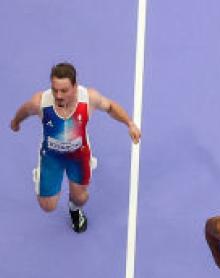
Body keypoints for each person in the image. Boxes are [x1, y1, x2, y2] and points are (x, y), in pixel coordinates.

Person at [9, 62, 140, 232]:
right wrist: (16, 122)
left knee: (81, 198)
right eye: (55, 89)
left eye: (64, 90)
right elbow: (25, 110)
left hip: (78, 156)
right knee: (47, 206)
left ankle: (74, 209)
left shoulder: (89, 98)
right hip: (51, 157)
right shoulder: (40, 102)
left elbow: (111, 107)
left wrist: (129, 123)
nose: (58, 95)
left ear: (75, 87)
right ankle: (41, 175)